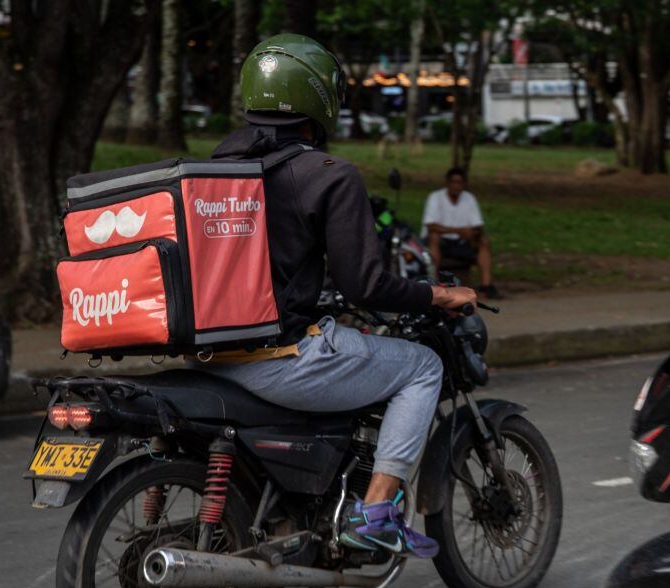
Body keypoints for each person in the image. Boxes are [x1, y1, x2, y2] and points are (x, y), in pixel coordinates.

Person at [200, 34, 477, 558]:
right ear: (319, 97)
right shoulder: (330, 174)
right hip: (279, 358)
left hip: (213, 354)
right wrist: (437, 294)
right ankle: (375, 513)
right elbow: (365, 286)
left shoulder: (219, 166)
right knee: (420, 367)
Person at [422, 167, 501, 299]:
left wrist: (472, 233)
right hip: (441, 242)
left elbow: (478, 226)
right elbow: (431, 226)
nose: (456, 186)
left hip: (461, 243)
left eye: (460, 183)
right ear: (447, 183)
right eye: (454, 182)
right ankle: (434, 284)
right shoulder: (435, 197)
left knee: (484, 241)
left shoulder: (469, 198)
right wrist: (458, 231)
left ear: (464, 184)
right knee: (434, 237)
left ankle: (486, 286)